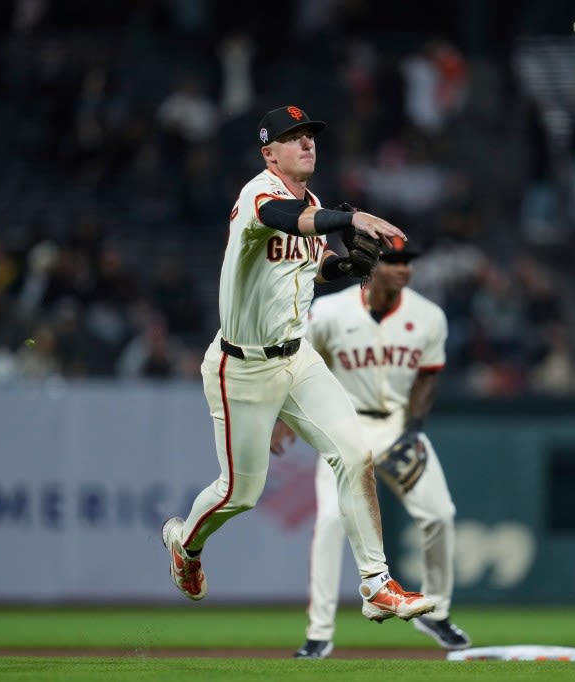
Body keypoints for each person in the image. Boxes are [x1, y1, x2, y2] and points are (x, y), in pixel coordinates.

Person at [161, 105, 436, 625]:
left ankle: (376, 584)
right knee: (241, 493)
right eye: (294, 138)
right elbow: (284, 221)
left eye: (310, 135)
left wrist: (349, 266)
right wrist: (351, 218)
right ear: (270, 153)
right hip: (239, 367)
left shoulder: (310, 203)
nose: (307, 143)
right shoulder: (257, 194)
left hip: (297, 357)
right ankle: (184, 544)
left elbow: (310, 268)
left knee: (355, 454)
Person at [271, 238, 471, 659]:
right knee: (329, 524)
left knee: (440, 515)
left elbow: (429, 376)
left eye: (406, 261)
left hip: (398, 426)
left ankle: (436, 613)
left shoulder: (429, 315)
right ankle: (319, 633)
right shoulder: (329, 313)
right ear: (370, 266)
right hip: (344, 426)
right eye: (393, 261)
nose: (403, 269)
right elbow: (297, 363)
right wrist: (284, 418)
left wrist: (414, 430)